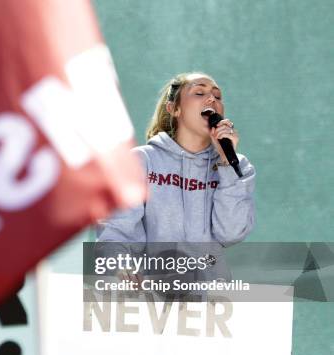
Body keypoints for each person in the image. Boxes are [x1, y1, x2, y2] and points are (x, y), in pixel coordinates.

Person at [96, 72, 255, 282]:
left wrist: (227, 163)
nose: (212, 100)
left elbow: (231, 233)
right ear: (174, 109)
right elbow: (117, 229)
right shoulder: (140, 162)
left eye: (217, 96)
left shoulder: (238, 166)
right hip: (149, 295)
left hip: (211, 299)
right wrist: (121, 264)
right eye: (199, 92)